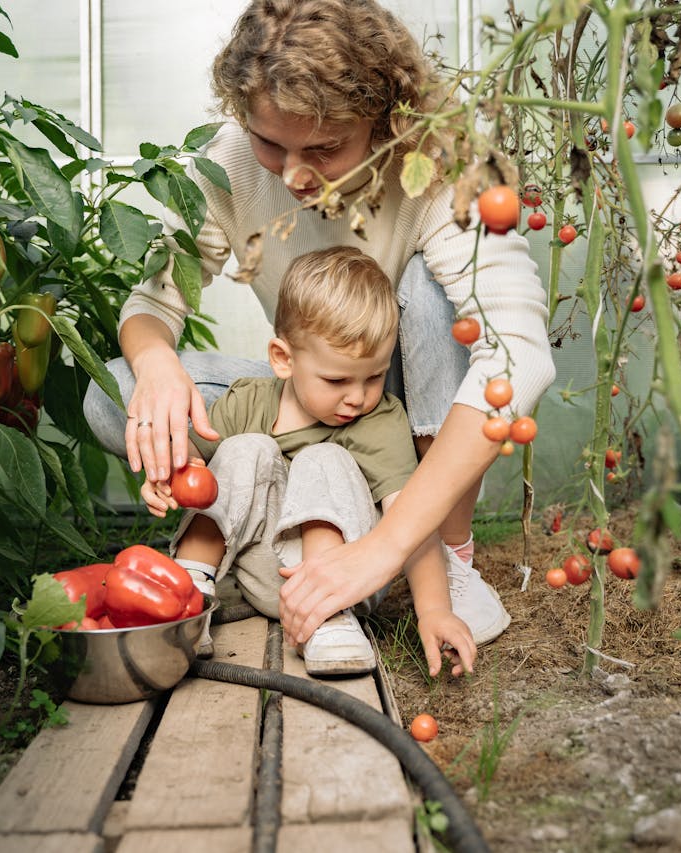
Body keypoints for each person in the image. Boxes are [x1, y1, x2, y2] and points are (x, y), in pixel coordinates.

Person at [84, 0, 555, 649]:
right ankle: (287, 511)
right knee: (114, 395)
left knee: (432, 293)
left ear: (385, 119)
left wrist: (388, 548)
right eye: (269, 142)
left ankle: (446, 551)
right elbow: (152, 304)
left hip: (391, 394)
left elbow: (518, 355)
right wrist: (157, 362)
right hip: (314, 387)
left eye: (326, 148)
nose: (294, 174)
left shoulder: (441, 166)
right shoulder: (228, 163)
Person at [141, 247, 476, 678]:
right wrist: (170, 473)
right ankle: (189, 591)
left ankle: (327, 619)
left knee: (324, 458)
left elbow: (413, 521)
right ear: (283, 359)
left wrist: (434, 610)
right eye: (337, 380)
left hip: (347, 579)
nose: (357, 396)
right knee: (245, 449)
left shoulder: (379, 421)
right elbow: (193, 467)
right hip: (252, 574)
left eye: (374, 376)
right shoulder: (247, 400)